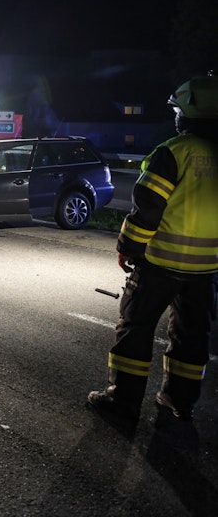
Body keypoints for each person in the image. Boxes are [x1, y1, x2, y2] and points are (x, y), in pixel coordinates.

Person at [87, 75, 218, 424]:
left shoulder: (175, 151)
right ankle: (179, 402)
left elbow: (147, 205)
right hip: (206, 272)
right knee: (192, 338)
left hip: (159, 263)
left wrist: (129, 247)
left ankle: (121, 401)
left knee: (135, 328)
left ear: (185, 113)